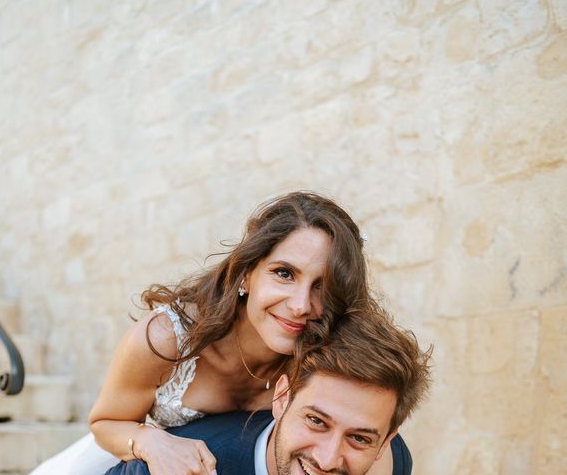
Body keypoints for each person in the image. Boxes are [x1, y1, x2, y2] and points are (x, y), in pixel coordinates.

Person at [32, 191, 384, 475]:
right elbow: (106, 422)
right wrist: (151, 443)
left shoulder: (327, 356)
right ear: (246, 273)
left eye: (323, 286)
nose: (300, 305)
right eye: (284, 274)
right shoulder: (163, 340)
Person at [104, 304, 432, 475]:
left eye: (359, 438)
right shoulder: (172, 471)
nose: (328, 459)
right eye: (317, 421)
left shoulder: (394, 462)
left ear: (386, 441)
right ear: (281, 398)